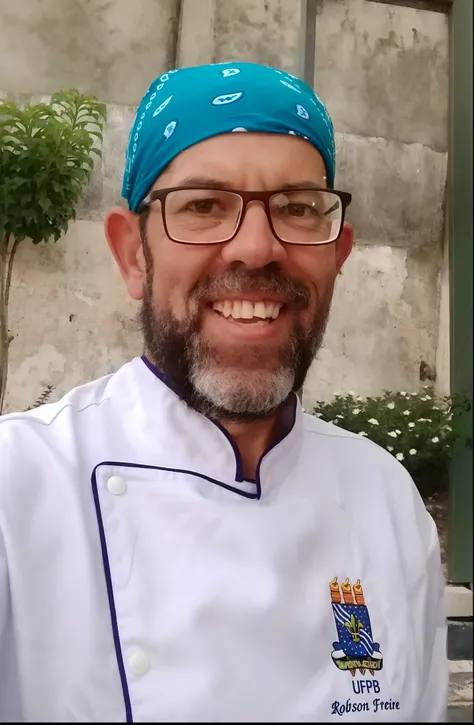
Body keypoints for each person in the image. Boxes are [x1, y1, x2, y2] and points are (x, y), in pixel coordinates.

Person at [0, 62, 447, 722]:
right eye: (203, 206)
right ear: (132, 255)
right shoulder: (18, 489)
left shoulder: (387, 502)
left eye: (298, 208)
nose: (257, 248)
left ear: (338, 255)